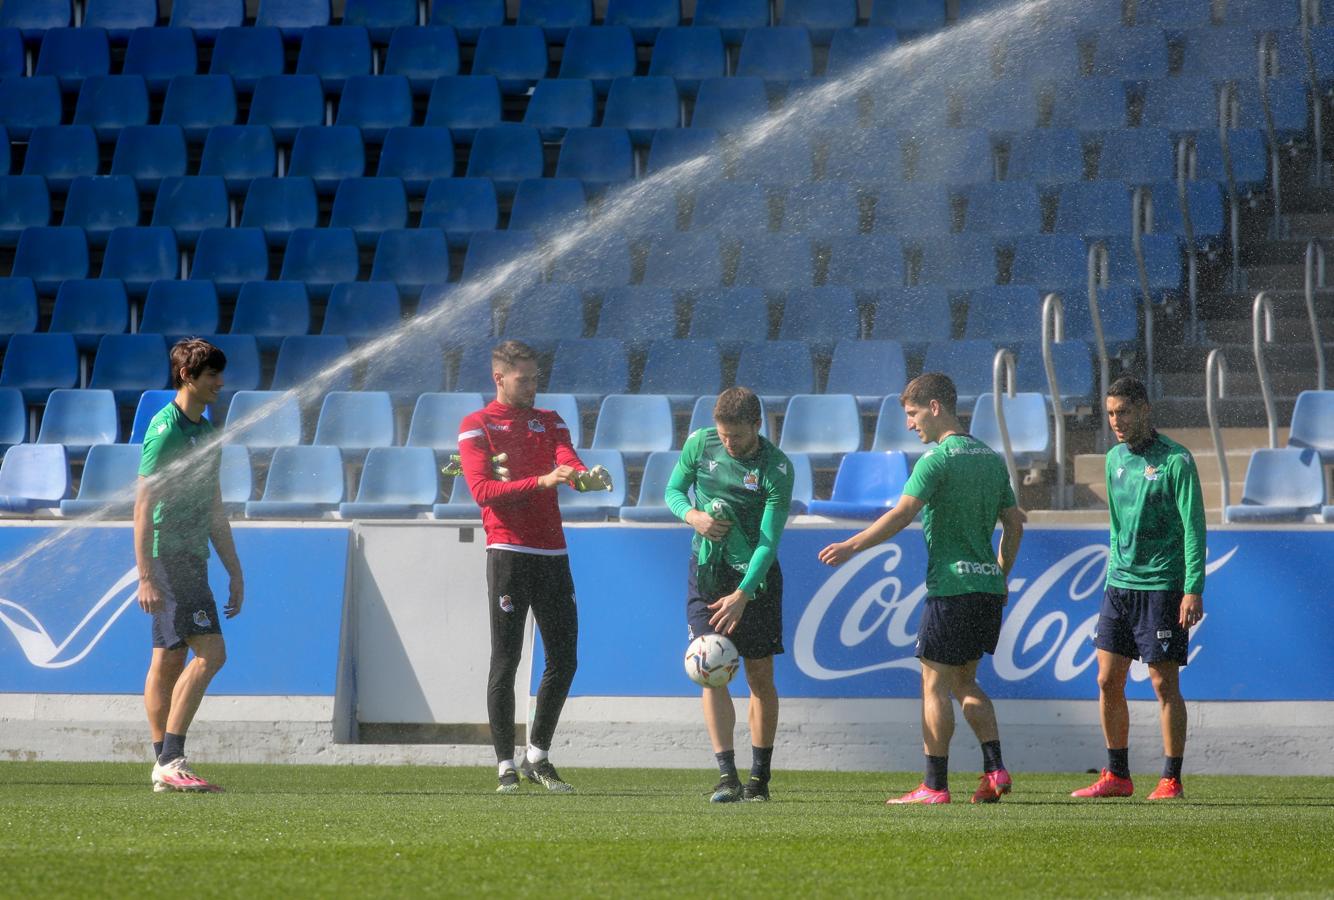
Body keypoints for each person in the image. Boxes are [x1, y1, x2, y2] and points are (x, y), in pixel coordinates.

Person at [818, 373, 1025, 805]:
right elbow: (1014, 522)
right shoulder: (990, 459)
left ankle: (934, 786)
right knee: (965, 683)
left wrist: (852, 546)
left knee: (934, 685)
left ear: (935, 407)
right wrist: (1001, 573)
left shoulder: (937, 461)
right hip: (986, 588)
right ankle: (994, 767)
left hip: (951, 586)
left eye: (913, 415)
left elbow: (901, 514)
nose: (910, 425)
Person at [458, 339, 610, 794]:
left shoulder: (551, 421)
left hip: (553, 554)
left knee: (565, 659)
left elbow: (569, 461)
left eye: (536, 378)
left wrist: (586, 477)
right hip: (507, 552)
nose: (532, 387)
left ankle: (538, 756)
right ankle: (505, 763)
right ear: (499, 377)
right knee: (506, 660)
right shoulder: (476, 426)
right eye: (524, 379)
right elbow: (482, 491)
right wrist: (543, 481)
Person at [1071, 375, 1205, 801]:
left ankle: (1171, 778)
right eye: (1110, 413)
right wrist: (1115, 569)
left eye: (1123, 412)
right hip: (1119, 586)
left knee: (1163, 684)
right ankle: (1117, 775)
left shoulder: (1176, 461)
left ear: (1145, 409)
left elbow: (1193, 529)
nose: (1116, 421)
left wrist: (1192, 588)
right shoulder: (1113, 460)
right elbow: (1116, 525)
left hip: (1162, 587)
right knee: (1108, 679)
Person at [665, 387, 794, 803]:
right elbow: (672, 491)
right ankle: (726, 775)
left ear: (757, 426)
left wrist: (743, 593)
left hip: (754, 580)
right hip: (706, 573)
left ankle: (760, 779)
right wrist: (693, 516)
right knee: (709, 666)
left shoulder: (776, 468)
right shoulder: (700, 444)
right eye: (722, 434)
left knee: (760, 677)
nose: (728, 442)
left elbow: (768, 541)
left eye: (736, 436)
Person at [135, 338, 243, 794]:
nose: (220, 382)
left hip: (192, 555)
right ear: (188, 377)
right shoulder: (166, 431)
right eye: (212, 375)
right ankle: (171, 759)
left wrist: (234, 568)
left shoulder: (208, 431)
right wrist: (144, 575)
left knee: (169, 657)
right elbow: (143, 506)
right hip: (167, 557)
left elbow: (214, 505)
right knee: (211, 653)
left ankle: (163, 767)